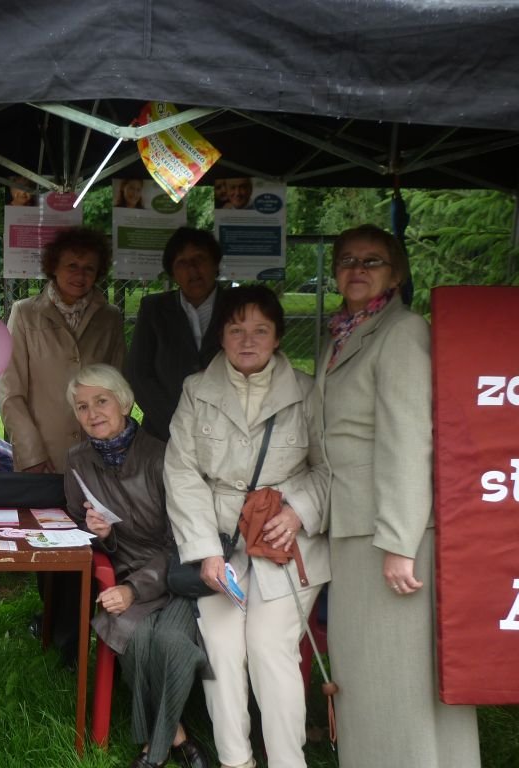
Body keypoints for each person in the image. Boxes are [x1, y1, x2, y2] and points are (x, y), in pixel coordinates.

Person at [313, 225, 481, 768]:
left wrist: (400, 542)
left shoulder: (402, 331)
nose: (357, 270)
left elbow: (409, 440)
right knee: (370, 672)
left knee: (396, 676)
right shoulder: (343, 333)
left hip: (385, 534)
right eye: (347, 260)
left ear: (396, 273)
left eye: (372, 261)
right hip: (352, 525)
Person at [165, 285, 330, 768]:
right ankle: (236, 761)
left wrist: (297, 510)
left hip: (286, 542)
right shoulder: (196, 390)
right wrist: (205, 551)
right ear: (221, 336)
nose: (248, 340)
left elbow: (330, 468)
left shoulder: (307, 392)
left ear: (278, 336)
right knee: (220, 646)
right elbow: (182, 472)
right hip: (220, 542)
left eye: (260, 329)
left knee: (268, 646)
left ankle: (286, 762)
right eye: (236, 329)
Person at [64, 364, 209, 768]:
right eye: (82, 406)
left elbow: (180, 539)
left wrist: (134, 590)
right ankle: (178, 737)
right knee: (139, 638)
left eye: (102, 401)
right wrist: (100, 533)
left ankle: (153, 752)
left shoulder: (162, 455)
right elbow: (77, 525)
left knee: (171, 642)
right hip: (123, 573)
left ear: (125, 403)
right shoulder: (76, 460)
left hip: (177, 576)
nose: (92, 413)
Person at [0, 226, 126, 664]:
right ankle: (52, 620)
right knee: (46, 540)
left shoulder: (110, 318)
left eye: (89, 268)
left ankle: (77, 632)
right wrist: (31, 454)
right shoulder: (25, 314)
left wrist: (113, 446)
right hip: (45, 453)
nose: (80, 274)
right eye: (71, 265)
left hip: (97, 454)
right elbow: (11, 392)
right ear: (53, 266)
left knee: (88, 539)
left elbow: (117, 386)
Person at [126, 227, 224, 441]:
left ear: (215, 264)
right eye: (182, 263)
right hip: (165, 432)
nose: (192, 269)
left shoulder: (238, 306)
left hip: (227, 433)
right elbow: (138, 374)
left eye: (199, 259)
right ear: (172, 273)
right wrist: (176, 426)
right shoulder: (154, 309)